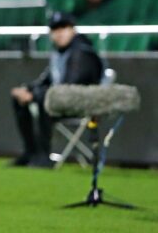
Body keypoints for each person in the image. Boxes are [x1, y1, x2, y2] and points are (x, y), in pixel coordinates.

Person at [9, 12, 105, 168]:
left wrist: (34, 94)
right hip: (60, 101)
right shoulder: (59, 53)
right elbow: (47, 80)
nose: (59, 33)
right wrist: (27, 90)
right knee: (20, 97)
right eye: (55, 29)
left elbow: (71, 85)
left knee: (43, 97)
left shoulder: (82, 51)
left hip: (83, 104)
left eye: (63, 28)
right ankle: (30, 152)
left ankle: (43, 155)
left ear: (72, 29)